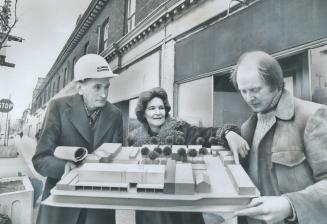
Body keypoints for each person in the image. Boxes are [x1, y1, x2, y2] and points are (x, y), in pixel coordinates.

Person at [230, 51, 327, 224]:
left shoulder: (313, 116)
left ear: (275, 83)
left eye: (255, 90)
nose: (249, 98)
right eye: (243, 91)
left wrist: (289, 205)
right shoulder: (247, 127)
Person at [127, 87, 249, 224]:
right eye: (151, 108)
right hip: (148, 208)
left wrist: (228, 133)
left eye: (161, 108)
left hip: (179, 207)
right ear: (143, 113)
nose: (157, 112)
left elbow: (207, 133)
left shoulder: (181, 129)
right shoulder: (134, 138)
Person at [32, 54, 123, 224]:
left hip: (98, 209)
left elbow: (117, 158)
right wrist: (64, 167)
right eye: (97, 87)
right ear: (80, 87)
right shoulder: (58, 107)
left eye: (106, 87)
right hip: (61, 207)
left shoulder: (115, 114)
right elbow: (40, 159)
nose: (104, 94)